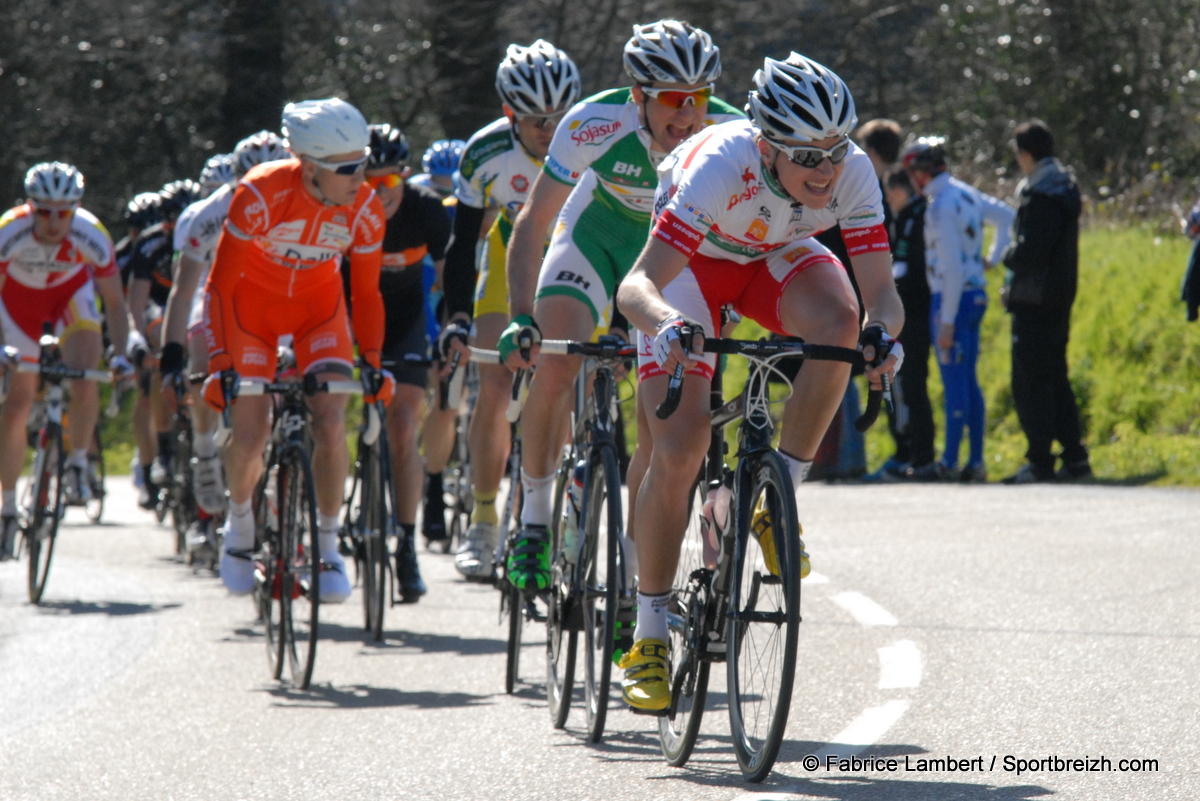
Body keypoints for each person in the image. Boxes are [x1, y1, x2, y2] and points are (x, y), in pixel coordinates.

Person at [614, 53, 903, 712]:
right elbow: (638, 284)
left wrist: (884, 336)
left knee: (841, 319)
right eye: (808, 158)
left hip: (773, 258)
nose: (827, 170)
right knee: (680, 448)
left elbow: (883, 292)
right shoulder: (718, 167)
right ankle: (649, 635)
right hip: (692, 270)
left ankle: (780, 499)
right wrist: (664, 326)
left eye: (836, 149)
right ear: (766, 147)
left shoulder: (851, 172)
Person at [501, 20, 740, 594]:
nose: (687, 114)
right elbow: (533, 222)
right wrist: (519, 316)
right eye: (671, 100)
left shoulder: (730, 131)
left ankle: (637, 584)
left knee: (659, 433)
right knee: (557, 363)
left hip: (669, 265)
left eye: (698, 98)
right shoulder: (594, 122)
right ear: (638, 97)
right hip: (594, 239)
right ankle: (534, 519)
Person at [201, 98, 388, 604]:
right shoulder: (259, 195)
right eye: (348, 168)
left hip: (316, 316)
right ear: (308, 167)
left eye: (364, 162)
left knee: (330, 420)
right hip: (252, 317)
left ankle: (327, 546)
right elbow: (218, 287)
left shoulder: (365, 209)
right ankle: (240, 527)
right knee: (252, 430)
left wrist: (371, 361)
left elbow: (366, 295)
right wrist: (220, 365)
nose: (360, 177)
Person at [438, 39, 582, 579]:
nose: (550, 129)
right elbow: (460, 245)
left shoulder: (595, 138)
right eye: (535, 119)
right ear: (509, 113)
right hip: (507, 256)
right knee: (493, 380)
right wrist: (455, 318)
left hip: (575, 252)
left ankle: (562, 507)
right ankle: (482, 516)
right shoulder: (485, 153)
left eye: (559, 116)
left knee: (566, 377)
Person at [160, 131, 289, 556]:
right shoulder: (204, 217)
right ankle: (204, 454)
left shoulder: (301, 201)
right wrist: (172, 357)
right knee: (204, 365)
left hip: (274, 301)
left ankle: (285, 483)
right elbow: (184, 292)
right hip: (214, 300)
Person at [342, 122, 454, 602]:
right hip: (346, 313)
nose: (377, 193)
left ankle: (405, 543)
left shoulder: (428, 212)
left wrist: (453, 330)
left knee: (403, 424)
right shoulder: (341, 211)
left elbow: (453, 282)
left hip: (405, 317)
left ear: (405, 178)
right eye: (367, 181)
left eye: (388, 182)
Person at [0, 162, 133, 557]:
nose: (55, 222)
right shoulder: (9, 230)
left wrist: (122, 355)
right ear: (30, 206)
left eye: (64, 212)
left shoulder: (92, 235)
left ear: (76, 209)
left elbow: (114, 301)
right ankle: (7, 510)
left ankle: (77, 462)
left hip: (68, 301)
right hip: (17, 307)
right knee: (18, 403)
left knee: (85, 374)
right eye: (45, 211)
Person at [902, 136, 1012, 482]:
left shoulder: (939, 207)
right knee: (969, 380)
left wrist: (946, 320)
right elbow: (1007, 217)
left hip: (951, 299)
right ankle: (975, 459)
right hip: (975, 293)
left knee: (954, 382)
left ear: (920, 173)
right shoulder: (966, 193)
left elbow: (948, 268)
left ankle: (950, 460)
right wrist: (992, 259)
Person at [1001, 119, 1091, 483]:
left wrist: (1008, 254)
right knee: (1056, 377)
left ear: (1025, 154)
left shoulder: (1041, 195)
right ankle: (1075, 457)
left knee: (1029, 381)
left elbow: (1030, 254)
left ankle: (1040, 461)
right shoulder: (1065, 188)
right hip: (1060, 297)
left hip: (1033, 300)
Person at [126, 179, 200, 508]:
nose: (177, 226)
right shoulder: (150, 244)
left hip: (195, 304)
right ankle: (165, 447)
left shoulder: (208, 233)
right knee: (159, 344)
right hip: (159, 308)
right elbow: (136, 304)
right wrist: (139, 342)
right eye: (171, 220)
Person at [879, 168, 936, 479]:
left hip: (916, 311)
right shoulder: (905, 216)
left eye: (891, 193)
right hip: (907, 310)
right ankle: (911, 454)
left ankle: (923, 456)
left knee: (913, 385)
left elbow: (913, 266)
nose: (889, 200)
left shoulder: (919, 214)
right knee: (905, 386)